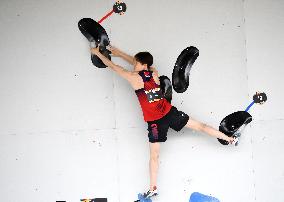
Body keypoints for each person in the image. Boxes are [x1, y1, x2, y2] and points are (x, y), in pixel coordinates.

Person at [90, 45, 236, 198]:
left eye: (135, 62)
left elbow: (112, 66)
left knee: (154, 156)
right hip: (169, 113)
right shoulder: (153, 73)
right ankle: (230, 139)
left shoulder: (133, 77)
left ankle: (153, 188)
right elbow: (136, 63)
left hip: (155, 123)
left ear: (139, 62)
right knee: (201, 126)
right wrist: (119, 53)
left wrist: (97, 53)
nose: (134, 63)